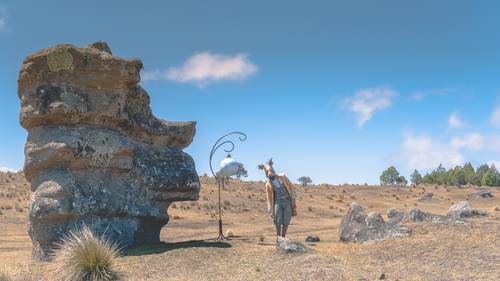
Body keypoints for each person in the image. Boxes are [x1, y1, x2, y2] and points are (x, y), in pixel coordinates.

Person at [258, 159, 297, 241]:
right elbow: (269, 198)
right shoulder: (268, 185)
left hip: (287, 201)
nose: (270, 176)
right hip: (277, 202)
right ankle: (278, 238)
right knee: (277, 220)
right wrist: (270, 210)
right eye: (268, 175)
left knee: (286, 220)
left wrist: (293, 198)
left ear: (274, 172)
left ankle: (283, 237)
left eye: (271, 174)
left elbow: (291, 187)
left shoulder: (282, 176)